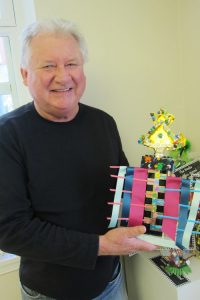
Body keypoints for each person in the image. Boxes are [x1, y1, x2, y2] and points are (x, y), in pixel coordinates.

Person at [0, 19, 156, 300]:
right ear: (25, 75)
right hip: (49, 293)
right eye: (48, 66)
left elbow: (125, 190)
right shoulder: (7, 135)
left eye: (71, 64)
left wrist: (173, 214)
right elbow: (10, 231)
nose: (63, 76)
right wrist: (102, 246)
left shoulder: (103, 122)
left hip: (111, 282)